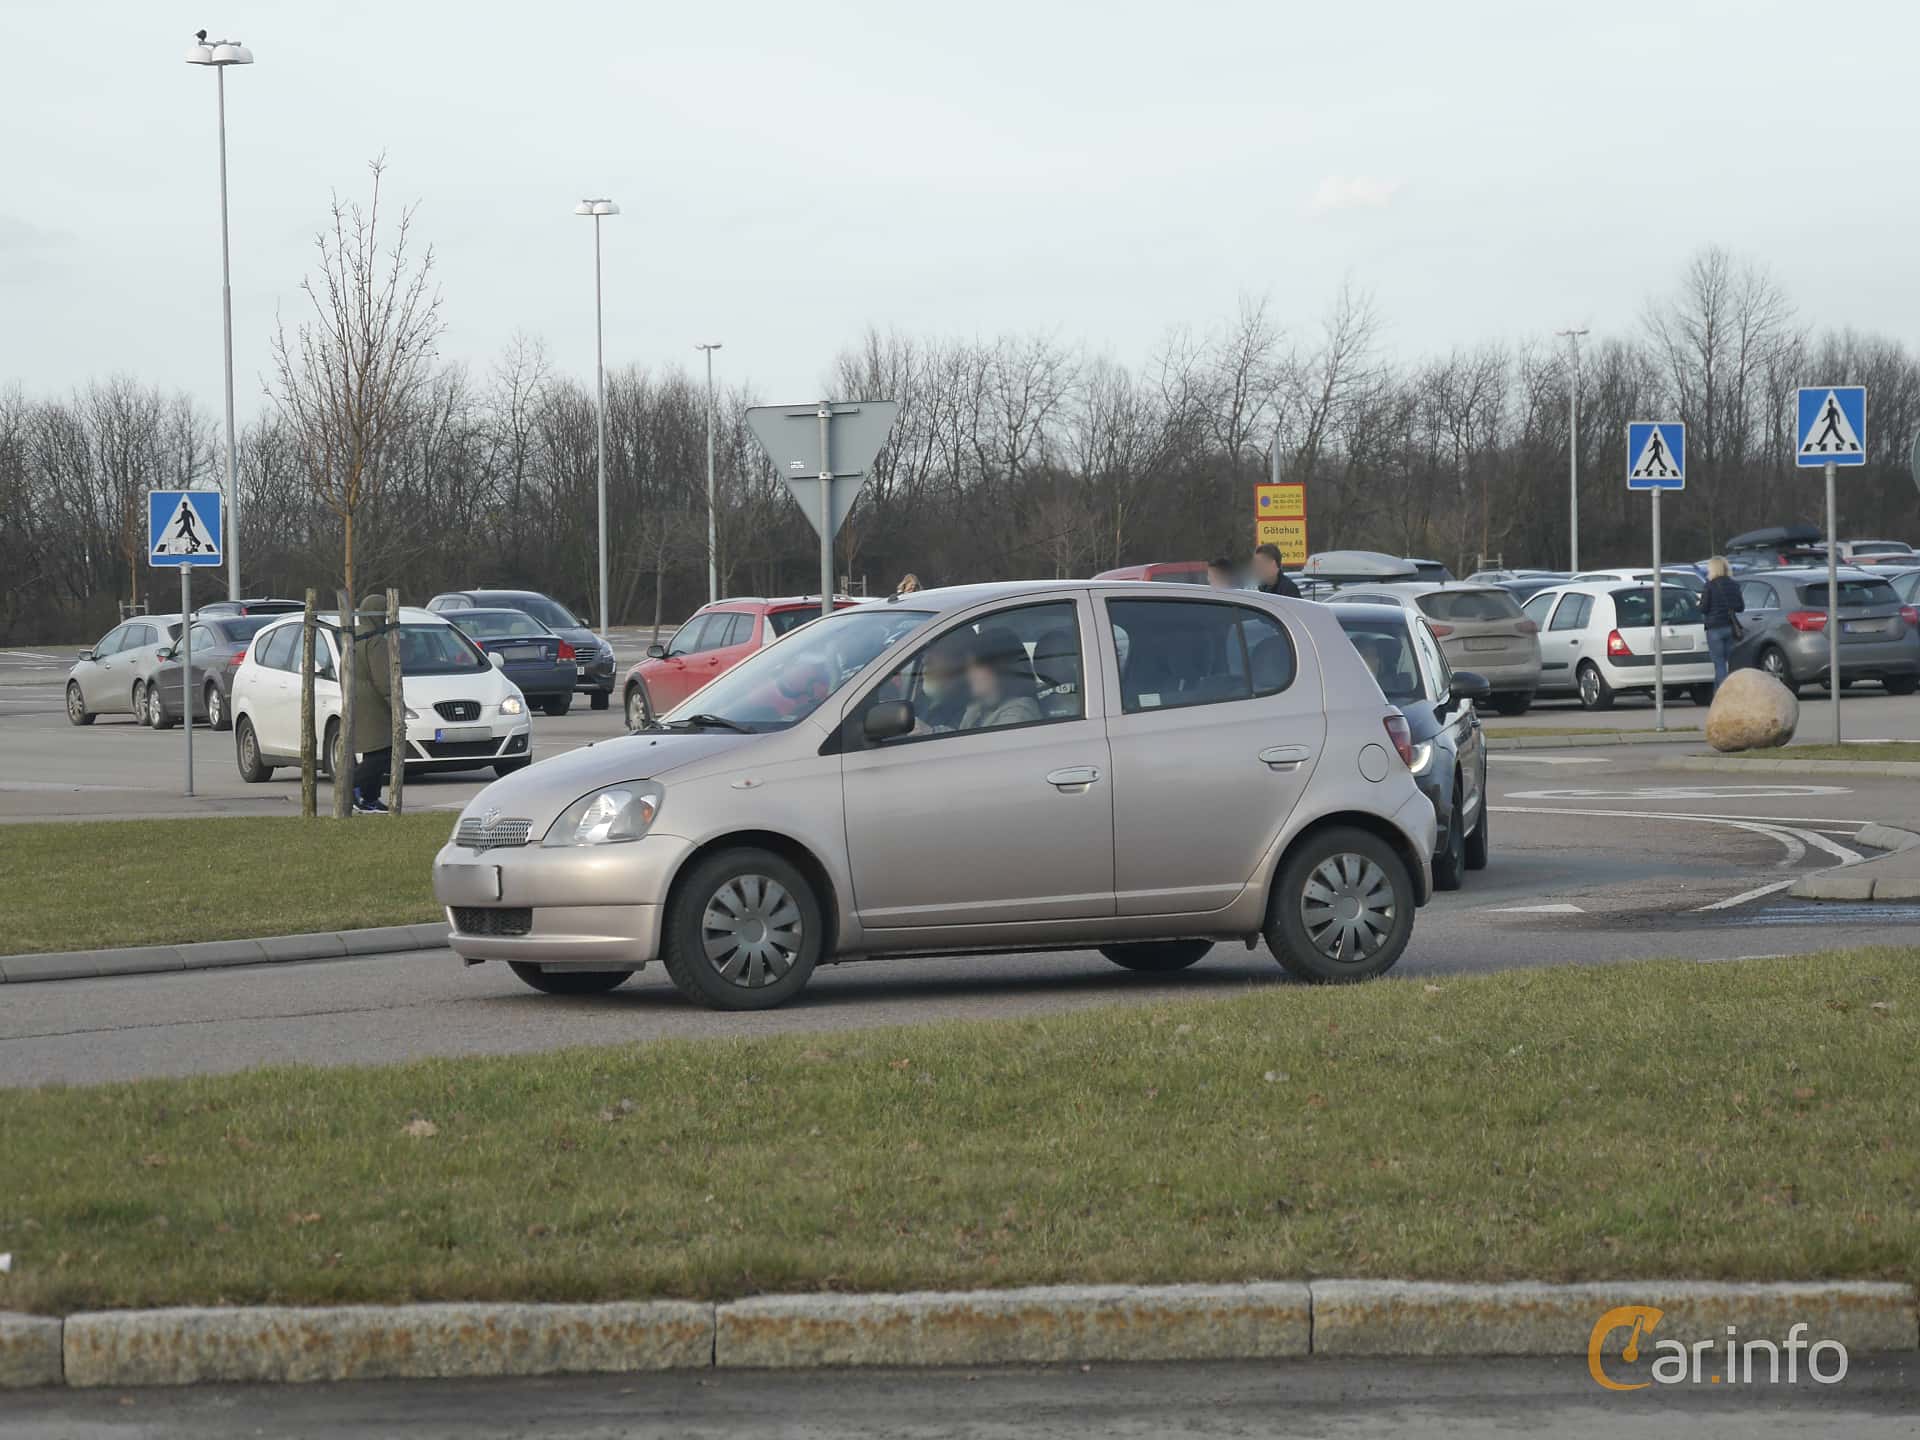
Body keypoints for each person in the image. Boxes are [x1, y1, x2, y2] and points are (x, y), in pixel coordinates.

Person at [349, 616, 396, 814]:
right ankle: (351, 784)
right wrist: (395, 702)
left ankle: (370, 798)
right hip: (374, 702)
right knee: (385, 752)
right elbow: (383, 678)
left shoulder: (354, 635)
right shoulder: (375, 640)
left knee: (373, 751)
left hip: (356, 697)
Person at [956, 629, 1040, 730]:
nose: (968, 673)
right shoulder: (978, 708)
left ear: (999, 669)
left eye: (975, 665)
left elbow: (984, 745)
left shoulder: (1019, 714)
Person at [1699, 556, 1744, 692]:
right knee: (1727, 663)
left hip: (1714, 629)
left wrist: (1698, 604)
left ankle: (1725, 693)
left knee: (1719, 664)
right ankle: (1716, 695)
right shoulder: (1734, 585)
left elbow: (1704, 608)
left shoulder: (1710, 585)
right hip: (1730, 627)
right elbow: (1740, 607)